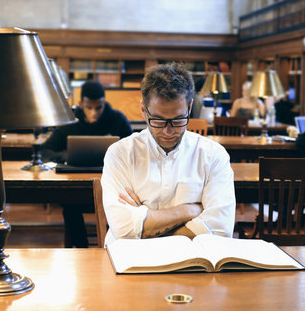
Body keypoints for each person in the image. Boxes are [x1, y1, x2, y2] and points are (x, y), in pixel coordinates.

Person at [101, 62, 236, 245]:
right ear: (143, 110)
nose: (168, 131)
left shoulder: (214, 155)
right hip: (131, 263)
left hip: (192, 264)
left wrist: (144, 222)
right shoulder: (120, 154)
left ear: (189, 109)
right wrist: (190, 211)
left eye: (178, 119)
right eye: (158, 120)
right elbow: (123, 229)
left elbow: (220, 230)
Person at [42, 80, 132, 248]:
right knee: (69, 205)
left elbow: (134, 151)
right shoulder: (69, 121)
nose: (94, 113)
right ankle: (82, 249)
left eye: (99, 107)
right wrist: (66, 158)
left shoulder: (117, 119)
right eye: (89, 107)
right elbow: (46, 150)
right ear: (80, 104)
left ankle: (111, 247)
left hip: (111, 185)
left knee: (120, 206)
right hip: (77, 186)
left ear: (104, 103)